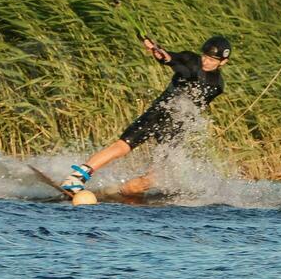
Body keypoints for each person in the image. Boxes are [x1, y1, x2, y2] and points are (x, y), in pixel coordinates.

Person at [63, 35, 231, 195]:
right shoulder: (191, 59)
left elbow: (193, 76)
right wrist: (160, 53)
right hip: (159, 112)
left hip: (177, 125)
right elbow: (175, 59)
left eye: (212, 60)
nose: (205, 61)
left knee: (153, 178)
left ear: (223, 62)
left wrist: (172, 63)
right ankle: (75, 178)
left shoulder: (216, 85)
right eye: (205, 56)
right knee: (123, 146)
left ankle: (113, 193)